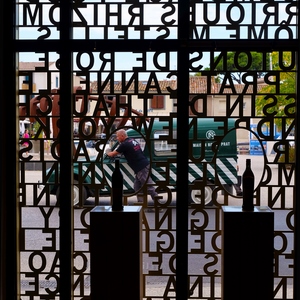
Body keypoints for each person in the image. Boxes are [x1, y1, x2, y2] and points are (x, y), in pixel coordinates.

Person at [106, 129, 158, 204]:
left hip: (141, 167)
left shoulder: (124, 144)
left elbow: (112, 154)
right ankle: (141, 204)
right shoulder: (132, 140)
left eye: (117, 137)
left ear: (122, 136)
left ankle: (158, 204)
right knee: (137, 187)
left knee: (149, 187)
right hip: (143, 165)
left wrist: (107, 151)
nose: (117, 138)